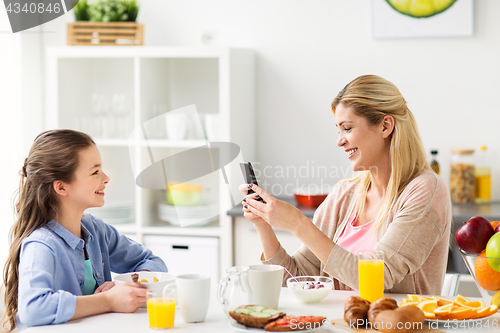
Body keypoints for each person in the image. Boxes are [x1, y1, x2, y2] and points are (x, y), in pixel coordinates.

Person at [240, 75, 451, 295]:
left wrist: (298, 224)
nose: (340, 140)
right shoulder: (345, 194)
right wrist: (262, 222)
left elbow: (379, 278)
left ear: (386, 126)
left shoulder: (425, 190)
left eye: (348, 128)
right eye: (339, 130)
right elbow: (296, 278)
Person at [2, 129, 167, 332]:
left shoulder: (96, 230)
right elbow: (33, 309)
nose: (106, 178)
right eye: (95, 172)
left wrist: (130, 284)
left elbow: (152, 262)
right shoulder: (41, 245)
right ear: (61, 188)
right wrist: (107, 301)